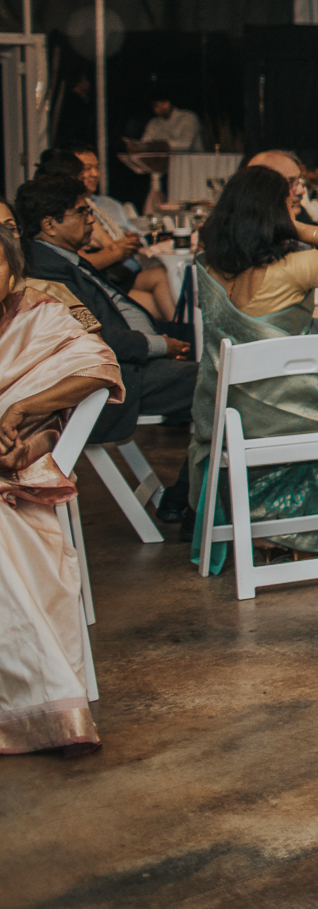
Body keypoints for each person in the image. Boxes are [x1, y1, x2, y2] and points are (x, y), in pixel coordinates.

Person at [184, 167, 318, 572]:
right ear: (275, 214)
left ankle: (262, 523)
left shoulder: (207, 266)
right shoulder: (294, 267)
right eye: (289, 204)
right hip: (279, 410)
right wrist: (297, 227)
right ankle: (315, 531)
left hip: (222, 410)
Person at [0, 223, 123, 759]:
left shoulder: (40, 317)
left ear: (12, 273)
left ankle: (45, 708)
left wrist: (22, 409)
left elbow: (98, 365)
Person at [19, 174, 195, 444]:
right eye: (81, 212)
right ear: (50, 224)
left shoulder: (61, 259)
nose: (91, 220)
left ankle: (202, 468)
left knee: (218, 386)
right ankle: (208, 469)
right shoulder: (47, 271)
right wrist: (160, 346)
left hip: (129, 365)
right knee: (220, 383)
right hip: (115, 380)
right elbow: (93, 337)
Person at [38, 149, 174, 323]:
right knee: (154, 306)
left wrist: (121, 246)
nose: (92, 175)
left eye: (96, 168)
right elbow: (81, 262)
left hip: (113, 274)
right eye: (85, 171)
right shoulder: (62, 216)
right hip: (91, 283)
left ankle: (179, 334)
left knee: (162, 282)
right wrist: (118, 249)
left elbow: (113, 245)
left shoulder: (94, 206)